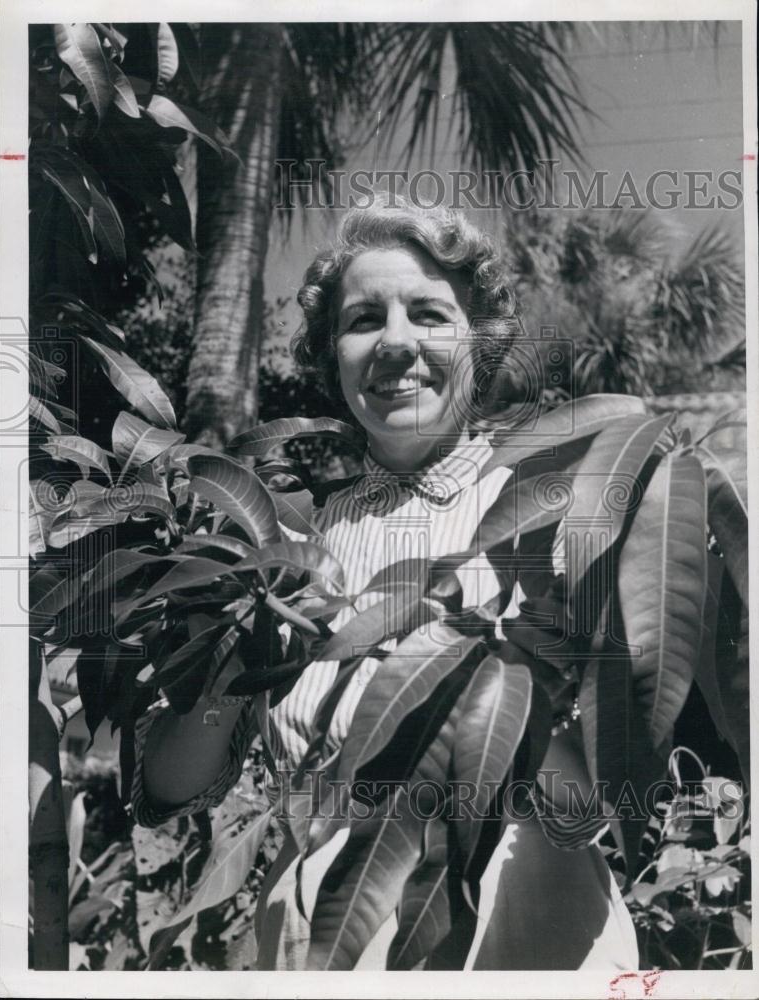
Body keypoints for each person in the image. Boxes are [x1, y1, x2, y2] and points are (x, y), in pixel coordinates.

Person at [131, 196, 639, 971]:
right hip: (319, 948)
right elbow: (170, 789)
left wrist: (517, 684)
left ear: (483, 341)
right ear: (331, 352)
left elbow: (590, 811)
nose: (395, 342)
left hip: (532, 948)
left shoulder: (566, 513)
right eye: (364, 319)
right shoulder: (288, 542)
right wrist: (235, 655)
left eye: (429, 313)